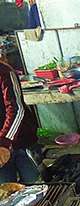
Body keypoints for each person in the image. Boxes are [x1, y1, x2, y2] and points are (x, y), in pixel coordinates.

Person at [0, 54, 40, 183]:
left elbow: (16, 110)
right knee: (6, 191)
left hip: (20, 141)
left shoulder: (5, 73)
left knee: (33, 184)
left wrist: (4, 142)